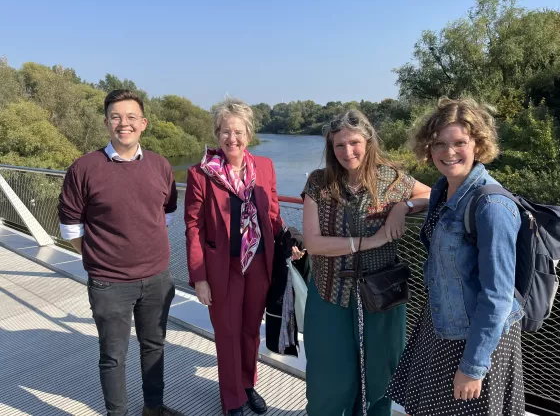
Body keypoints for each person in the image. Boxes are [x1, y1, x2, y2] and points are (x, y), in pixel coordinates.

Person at [386, 98, 525, 415]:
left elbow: (498, 296)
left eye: (459, 143)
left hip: (474, 337)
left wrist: (474, 366)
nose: (449, 153)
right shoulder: (441, 189)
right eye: (439, 144)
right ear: (428, 148)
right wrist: (403, 206)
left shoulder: (492, 208)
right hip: (442, 322)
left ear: (478, 143)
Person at [58, 90, 182, 416]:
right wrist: (100, 258)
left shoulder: (160, 165)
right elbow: (71, 227)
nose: (123, 124)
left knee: (154, 347)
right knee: (113, 355)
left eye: (130, 117)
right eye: (116, 117)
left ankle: (153, 409)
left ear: (143, 123)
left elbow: (166, 214)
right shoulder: (84, 168)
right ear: (106, 123)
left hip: (157, 279)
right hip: (109, 283)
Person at [301, 109, 431, 416]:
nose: (348, 152)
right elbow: (313, 243)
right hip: (329, 292)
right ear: (331, 149)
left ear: (369, 141)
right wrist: (365, 243)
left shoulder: (392, 179)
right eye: (339, 146)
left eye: (355, 142)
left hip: (382, 295)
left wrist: (404, 206)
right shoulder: (319, 184)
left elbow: (435, 194)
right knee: (328, 376)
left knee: (381, 374)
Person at [184, 97, 288, 416]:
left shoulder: (265, 167)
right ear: (217, 134)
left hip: (258, 263)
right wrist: (199, 278)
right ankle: (231, 398)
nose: (233, 138)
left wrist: (288, 242)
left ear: (249, 134)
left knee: (249, 330)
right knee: (227, 332)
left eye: (239, 131)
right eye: (226, 131)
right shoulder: (201, 173)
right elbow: (193, 226)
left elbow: (272, 215)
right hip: (222, 268)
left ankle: (247, 384)